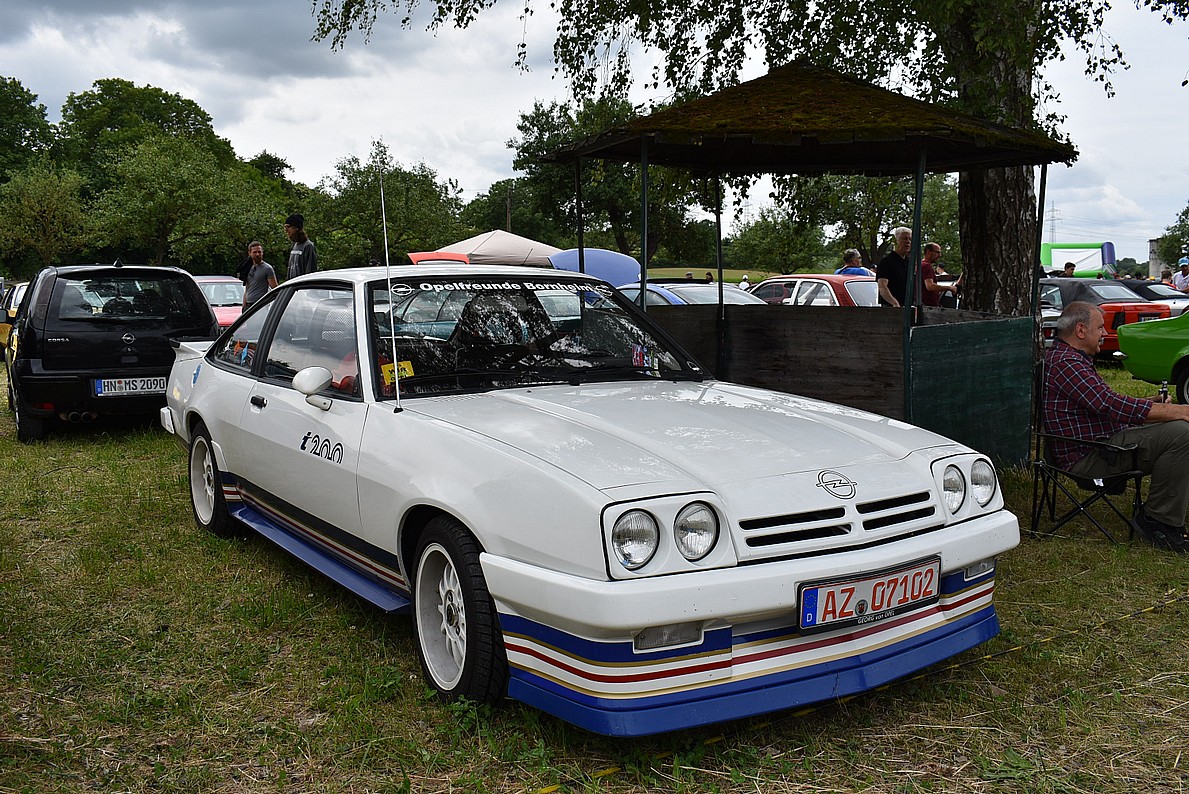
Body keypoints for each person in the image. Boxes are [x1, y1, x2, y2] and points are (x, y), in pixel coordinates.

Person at [1043, 301, 1189, 553]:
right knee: (1182, 433)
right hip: (1091, 456)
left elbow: (1103, 403)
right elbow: (1108, 404)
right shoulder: (1066, 363)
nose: (1105, 333)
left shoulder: (1069, 359)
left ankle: (1163, 515)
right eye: (1100, 327)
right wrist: (1177, 411)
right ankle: (1159, 522)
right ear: (1080, 330)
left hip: (1102, 444)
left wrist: (1150, 404)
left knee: (1178, 430)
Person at [876, 227, 911, 307]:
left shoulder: (909, 263)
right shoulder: (886, 262)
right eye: (905, 238)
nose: (908, 242)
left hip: (907, 307)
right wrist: (894, 303)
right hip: (891, 308)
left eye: (910, 239)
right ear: (895, 241)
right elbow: (882, 287)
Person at [919, 242, 958, 308]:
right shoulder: (926, 266)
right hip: (929, 307)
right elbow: (930, 286)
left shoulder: (921, 265)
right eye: (937, 252)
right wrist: (949, 288)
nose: (940, 255)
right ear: (928, 252)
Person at [242, 241, 277, 308]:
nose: (257, 254)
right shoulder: (248, 268)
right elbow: (247, 288)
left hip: (260, 305)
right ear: (249, 253)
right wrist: (244, 306)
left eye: (259, 252)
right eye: (254, 252)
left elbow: (275, 288)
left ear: (262, 253)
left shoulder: (267, 268)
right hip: (248, 305)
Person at [284, 213, 317, 280]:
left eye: (288, 227)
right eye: (285, 227)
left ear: (296, 228)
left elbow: (310, 272)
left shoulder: (308, 246)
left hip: (303, 285)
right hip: (293, 284)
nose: (286, 230)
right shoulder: (295, 245)